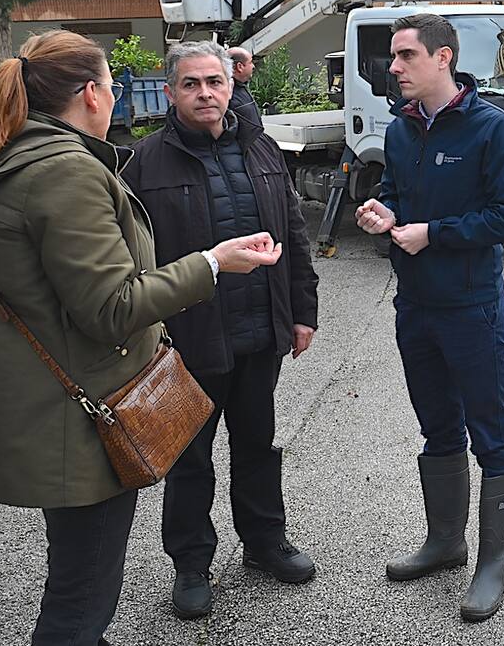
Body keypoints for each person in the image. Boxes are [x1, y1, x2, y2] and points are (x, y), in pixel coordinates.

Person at [0, 31, 280, 646]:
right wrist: (211, 263)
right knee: (79, 602)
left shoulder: (21, 157)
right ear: (93, 93)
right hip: (80, 415)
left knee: (79, 586)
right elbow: (109, 306)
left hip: (58, 398)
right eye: (112, 84)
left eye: (219, 82)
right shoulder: (66, 172)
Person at [120, 41, 319, 619]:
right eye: (191, 84)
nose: (205, 93)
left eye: (215, 81)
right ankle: (191, 565)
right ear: (170, 91)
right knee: (190, 457)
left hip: (261, 332)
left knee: (257, 445)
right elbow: (131, 259)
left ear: (230, 86)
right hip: (190, 339)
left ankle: (264, 544)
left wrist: (302, 311)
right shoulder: (144, 164)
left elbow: (295, 233)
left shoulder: (261, 148)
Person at [355, 13, 504, 622]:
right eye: (394, 58)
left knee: (491, 431)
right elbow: (404, 199)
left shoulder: (491, 128)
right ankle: (445, 542)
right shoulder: (401, 132)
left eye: (405, 56)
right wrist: (387, 212)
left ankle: (492, 564)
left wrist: (434, 233)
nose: (394, 68)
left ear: (443, 58)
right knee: (436, 427)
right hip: (416, 306)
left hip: (472, 306)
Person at [227, 46, 263, 126]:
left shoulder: (240, 87)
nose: (253, 66)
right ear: (239, 67)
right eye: (250, 62)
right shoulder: (228, 94)